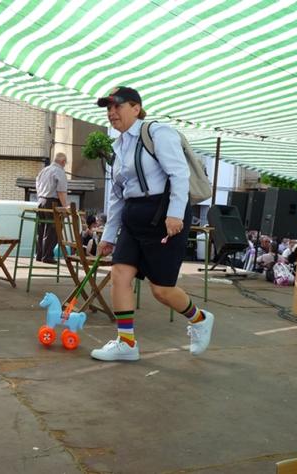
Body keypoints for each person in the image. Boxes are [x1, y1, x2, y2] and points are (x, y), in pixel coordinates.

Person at [91, 86, 214, 362]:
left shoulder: (158, 133)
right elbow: (117, 195)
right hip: (133, 216)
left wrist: (175, 213)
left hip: (163, 215)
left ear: (136, 108)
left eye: (117, 106)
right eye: (108, 108)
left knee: (162, 290)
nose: (111, 112)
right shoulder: (118, 146)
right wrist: (108, 235)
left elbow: (179, 174)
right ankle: (126, 343)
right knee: (120, 274)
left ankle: (200, 319)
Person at [35, 152, 68, 264]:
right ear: (63, 162)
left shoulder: (44, 170)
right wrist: (65, 208)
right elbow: (61, 192)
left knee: (41, 228)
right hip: (52, 202)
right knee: (53, 230)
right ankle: (47, 256)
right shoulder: (59, 171)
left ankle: (39, 254)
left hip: (40, 201)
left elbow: (37, 185)